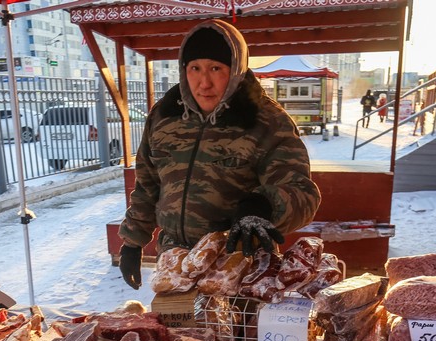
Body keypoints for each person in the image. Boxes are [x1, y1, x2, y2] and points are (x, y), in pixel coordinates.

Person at [117, 19, 321, 290]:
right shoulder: (164, 117)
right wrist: (132, 241)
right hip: (175, 264)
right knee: (178, 334)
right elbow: (147, 185)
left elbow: (301, 192)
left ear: (235, 69)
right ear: (183, 70)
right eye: (195, 68)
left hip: (238, 265)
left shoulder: (267, 121)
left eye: (216, 68)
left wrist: (262, 207)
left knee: (229, 333)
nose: (204, 83)